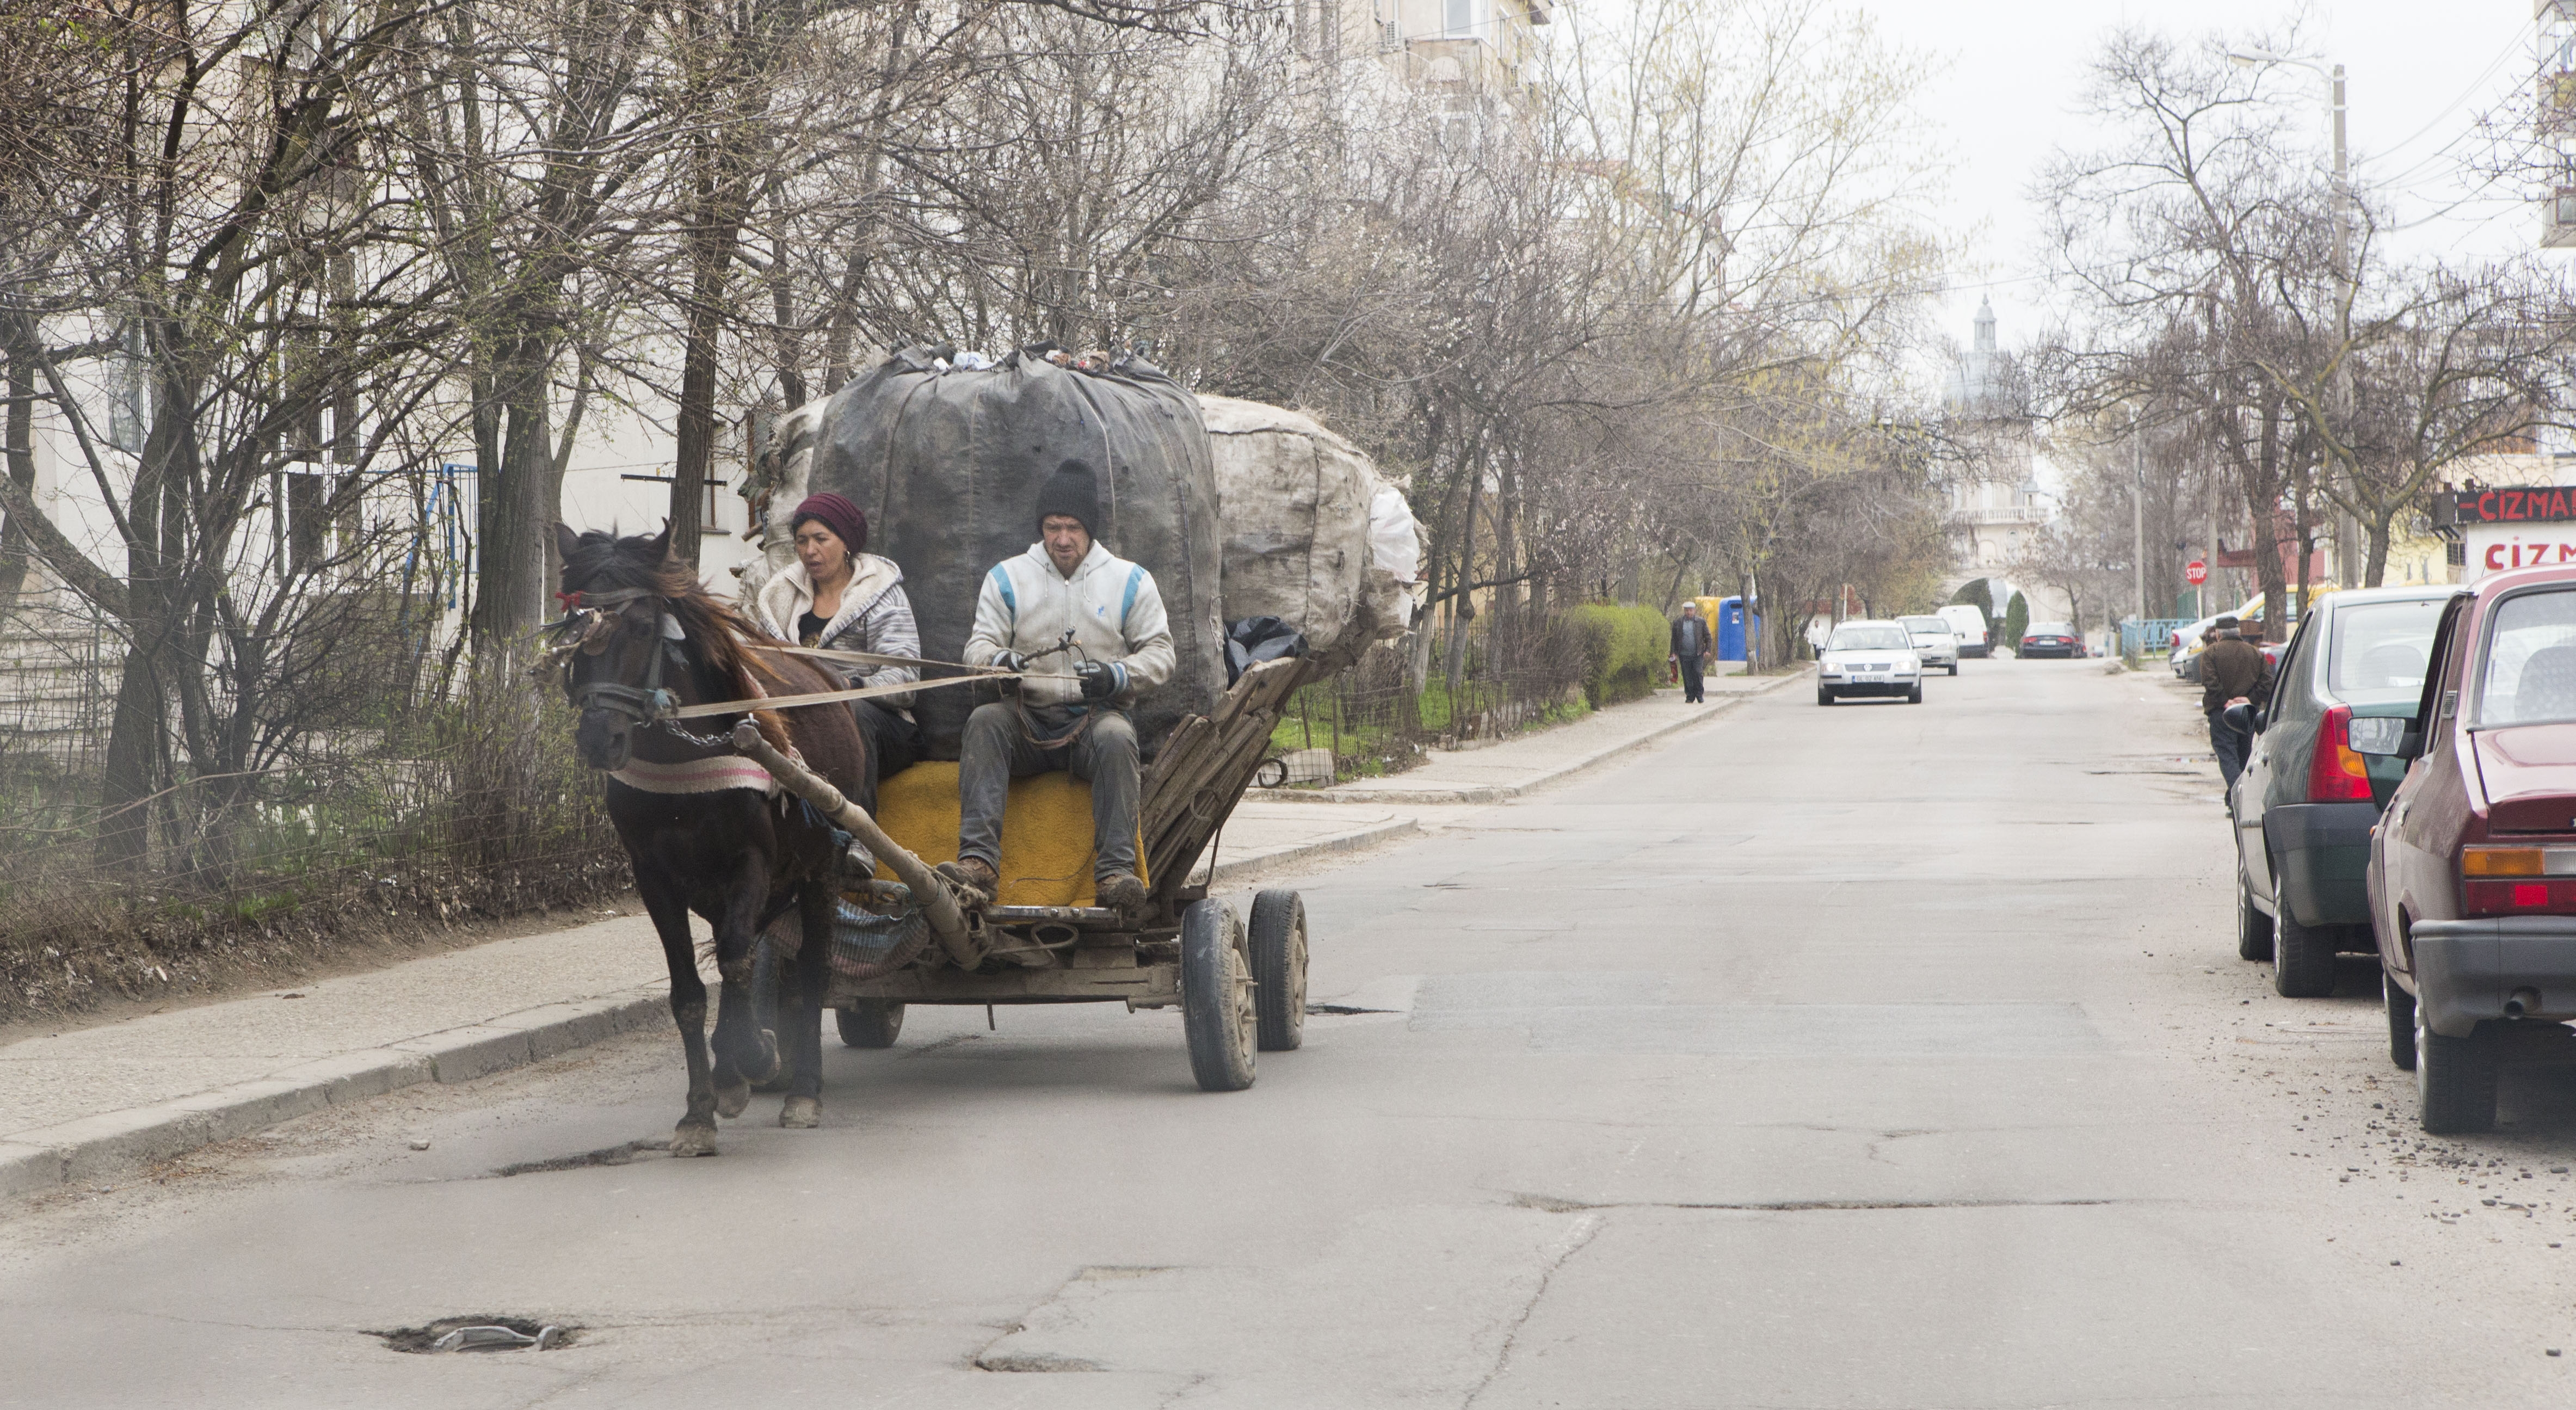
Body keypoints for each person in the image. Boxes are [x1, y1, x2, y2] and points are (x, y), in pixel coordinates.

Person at [938, 460, 1174, 914]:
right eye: (1052, 527)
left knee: (1117, 737)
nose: (1062, 539)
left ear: (1090, 529)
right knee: (985, 721)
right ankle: (978, 865)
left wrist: (1118, 676)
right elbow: (978, 648)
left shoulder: (1130, 580)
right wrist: (998, 663)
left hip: (1093, 721)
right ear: (1041, 528)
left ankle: (1115, 874)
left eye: (1072, 527)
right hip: (1025, 720)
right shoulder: (1007, 577)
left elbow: (1161, 654)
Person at [752, 491, 920, 816]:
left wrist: (847, 687)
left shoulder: (881, 594)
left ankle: (858, 839)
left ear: (845, 543)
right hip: (804, 719)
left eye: (820, 539)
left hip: (880, 726)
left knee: (853, 714)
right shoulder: (779, 599)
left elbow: (906, 680)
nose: (809, 551)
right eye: (802, 541)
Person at [2201, 615, 2272, 794]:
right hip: (2247, 714)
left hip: (2221, 713)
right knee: (2243, 756)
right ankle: (2233, 798)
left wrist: (2226, 701)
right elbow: (2267, 684)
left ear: (2218, 634)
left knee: (2227, 757)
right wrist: (2250, 699)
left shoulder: (2211, 654)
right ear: (2239, 632)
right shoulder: (2255, 653)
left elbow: (2210, 683)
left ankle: (2239, 796)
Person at [1669, 601, 1716, 704]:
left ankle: (1699, 695)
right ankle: (1690, 696)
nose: (1688, 613)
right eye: (1687, 611)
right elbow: (1674, 639)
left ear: (1694, 611)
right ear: (1684, 611)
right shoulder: (1678, 622)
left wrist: (1708, 650)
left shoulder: (1701, 622)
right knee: (1687, 675)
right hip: (1684, 654)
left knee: (1697, 673)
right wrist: (1673, 652)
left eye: (1690, 610)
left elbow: (1708, 637)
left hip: (1698, 654)